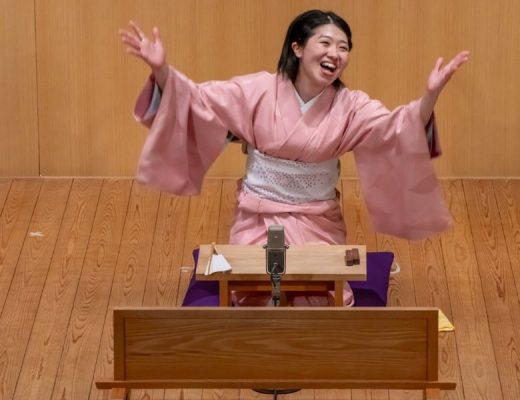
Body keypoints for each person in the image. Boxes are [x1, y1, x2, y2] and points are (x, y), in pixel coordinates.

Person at [119, 10, 469, 306]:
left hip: (317, 219)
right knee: (251, 291)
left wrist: (429, 97)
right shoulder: (257, 90)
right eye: (326, 43)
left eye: (344, 47)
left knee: (322, 297)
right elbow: (196, 101)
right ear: (297, 47)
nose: (335, 53)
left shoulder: (351, 106)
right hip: (258, 215)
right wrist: (162, 70)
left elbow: (396, 129)